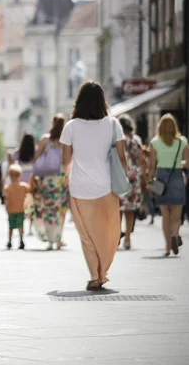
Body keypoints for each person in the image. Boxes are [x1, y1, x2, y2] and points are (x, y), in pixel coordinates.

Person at [59, 81, 128, 290]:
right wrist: (124, 178)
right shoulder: (114, 124)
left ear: (79, 102)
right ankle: (102, 271)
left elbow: (65, 160)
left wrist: (67, 177)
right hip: (107, 187)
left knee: (86, 234)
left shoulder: (71, 127)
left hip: (79, 187)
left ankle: (95, 274)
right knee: (109, 231)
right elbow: (122, 158)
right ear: (102, 101)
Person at [147, 114, 189, 257]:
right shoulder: (182, 141)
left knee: (165, 215)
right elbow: (187, 163)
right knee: (176, 216)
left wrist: (149, 181)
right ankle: (175, 235)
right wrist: (177, 163)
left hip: (160, 179)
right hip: (177, 176)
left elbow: (151, 165)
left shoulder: (155, 142)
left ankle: (166, 247)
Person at [30, 114, 69, 250]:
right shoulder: (66, 140)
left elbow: (35, 157)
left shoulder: (45, 139)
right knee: (60, 209)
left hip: (46, 180)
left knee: (47, 209)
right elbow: (68, 160)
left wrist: (35, 172)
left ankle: (50, 240)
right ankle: (58, 239)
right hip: (60, 179)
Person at [118, 115, 144, 250]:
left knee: (119, 209)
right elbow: (141, 160)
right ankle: (128, 238)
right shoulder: (136, 140)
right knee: (130, 210)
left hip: (121, 176)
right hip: (134, 177)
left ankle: (117, 235)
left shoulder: (119, 140)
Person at [3, 164, 29, 250]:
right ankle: (21, 240)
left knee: (11, 227)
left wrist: (6, 208)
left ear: (9, 176)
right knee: (20, 226)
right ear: (20, 176)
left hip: (11, 210)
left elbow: (6, 199)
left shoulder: (8, 188)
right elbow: (30, 191)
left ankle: (9, 241)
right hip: (20, 210)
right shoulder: (23, 186)